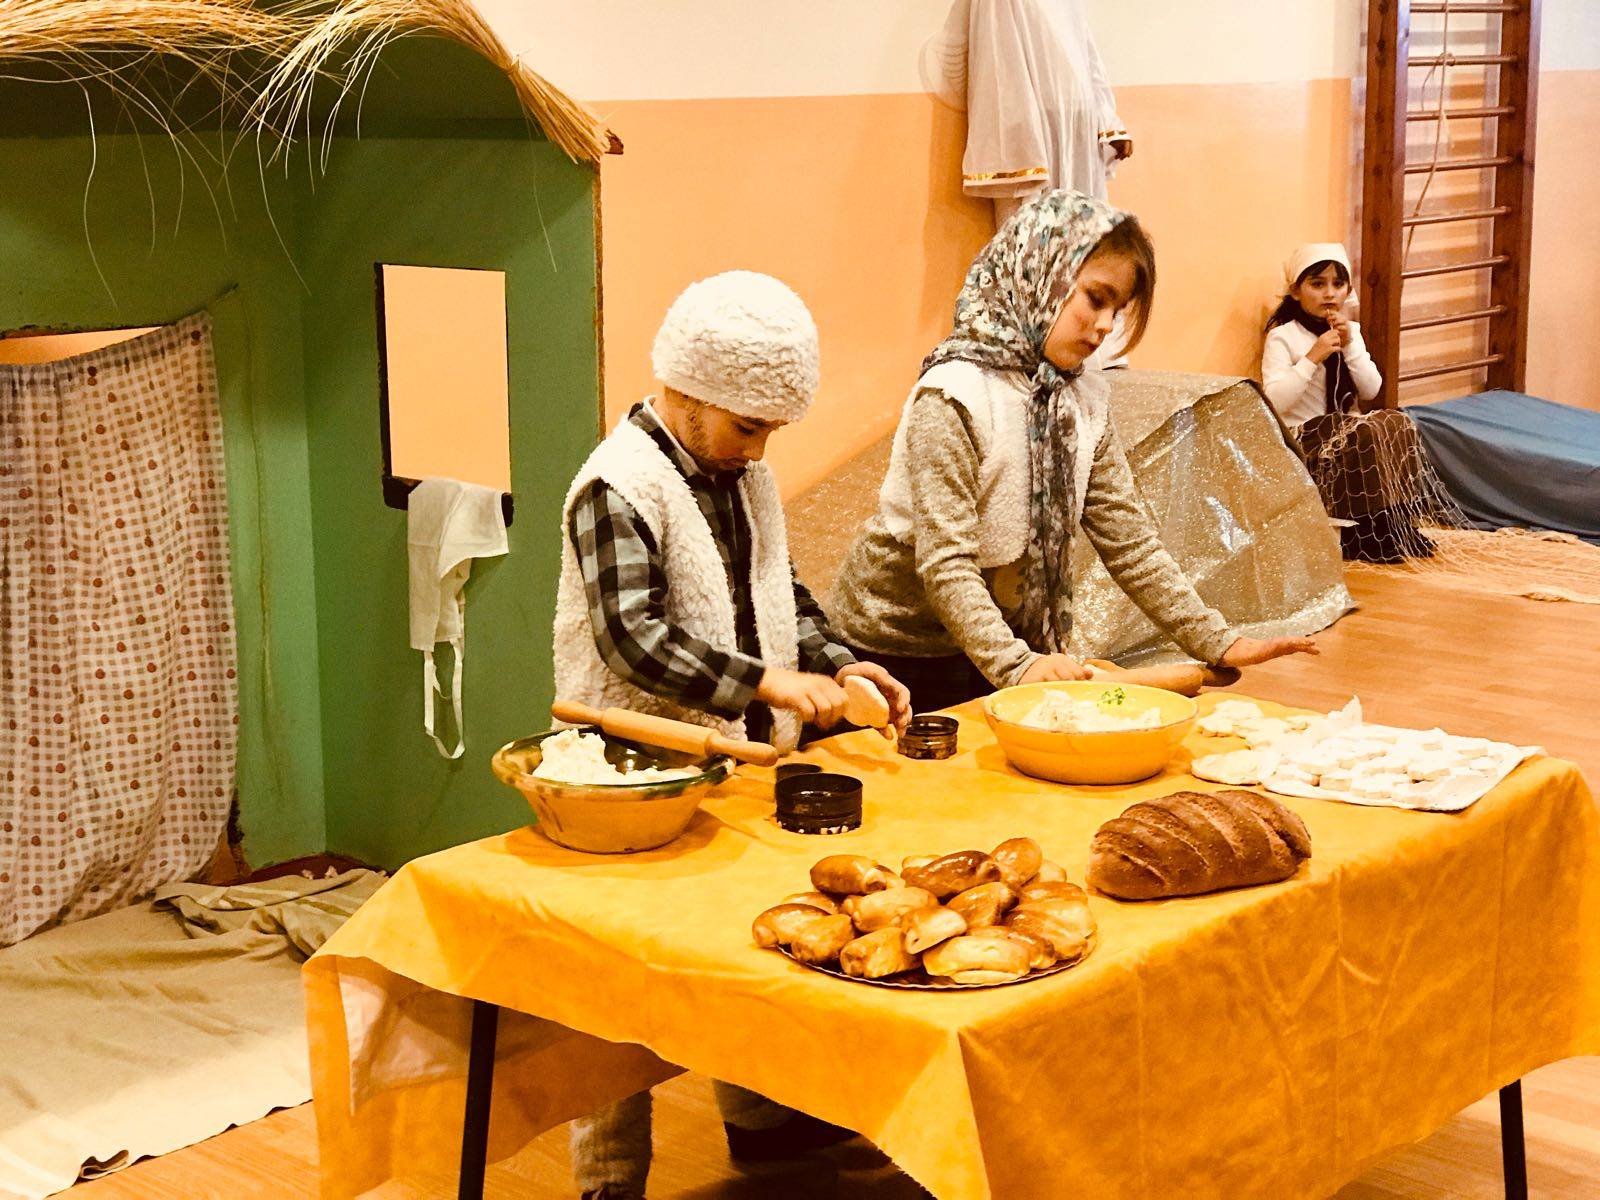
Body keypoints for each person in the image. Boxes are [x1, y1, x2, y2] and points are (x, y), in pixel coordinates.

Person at [553, 270, 911, 1200]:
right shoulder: (616, 485)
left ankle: (763, 1124)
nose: (759, 448)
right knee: (623, 983)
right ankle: (608, 1176)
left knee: (747, 946)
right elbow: (631, 638)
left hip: (737, 766)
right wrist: (764, 682)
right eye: (748, 426)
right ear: (686, 390)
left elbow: (778, 590)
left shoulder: (745, 474)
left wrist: (841, 663)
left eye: (770, 432)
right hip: (630, 777)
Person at [829, 190, 1317, 713]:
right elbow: (946, 563)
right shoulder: (955, 395)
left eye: (1117, 310)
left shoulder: (1081, 401)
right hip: (894, 652)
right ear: (1036, 276)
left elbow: (1130, 544)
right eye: (1095, 298)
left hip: (993, 646)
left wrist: (1215, 639)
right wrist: (1017, 665)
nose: (1105, 326)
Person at [1261, 243, 1435, 563]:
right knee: (1361, 432)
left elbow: (1371, 389)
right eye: (1317, 284)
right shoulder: (1283, 336)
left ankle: (1398, 521)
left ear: (1348, 291)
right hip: (1302, 435)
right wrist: (1312, 358)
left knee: (1397, 422)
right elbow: (1275, 402)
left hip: (1345, 428)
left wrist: (1351, 345)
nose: (1329, 294)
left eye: (1338, 284)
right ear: (1296, 291)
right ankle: (1367, 531)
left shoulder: (1351, 331)